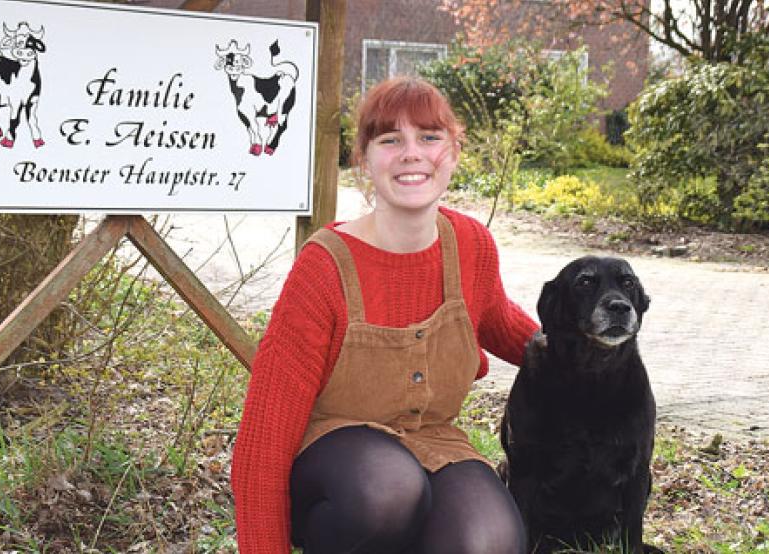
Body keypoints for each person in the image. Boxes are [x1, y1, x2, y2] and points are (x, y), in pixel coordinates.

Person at [231, 76, 540, 554]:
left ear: (454, 153)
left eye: (429, 137)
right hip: (336, 463)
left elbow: (499, 320)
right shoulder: (324, 267)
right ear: (365, 159)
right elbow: (263, 438)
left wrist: (583, 355)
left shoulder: (471, 245)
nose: (411, 153)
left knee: (489, 541)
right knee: (388, 492)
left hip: (434, 442)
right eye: (390, 139)